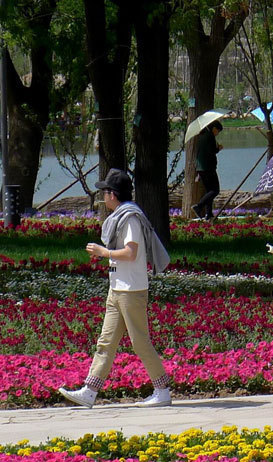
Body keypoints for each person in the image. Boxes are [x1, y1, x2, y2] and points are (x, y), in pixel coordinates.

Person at [59, 168, 172, 408]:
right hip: (117, 288)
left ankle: (162, 390)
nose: (103, 197)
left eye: (105, 192)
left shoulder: (130, 217)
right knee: (106, 342)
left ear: (113, 194)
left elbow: (131, 253)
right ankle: (90, 391)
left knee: (140, 341)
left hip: (131, 290)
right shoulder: (120, 216)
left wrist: (105, 253)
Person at [191, 120, 223, 220]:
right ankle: (198, 206)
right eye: (218, 131)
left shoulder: (202, 135)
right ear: (214, 129)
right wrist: (219, 148)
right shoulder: (210, 136)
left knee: (209, 191)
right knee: (215, 190)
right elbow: (212, 151)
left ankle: (209, 214)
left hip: (201, 168)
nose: (217, 134)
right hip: (208, 167)